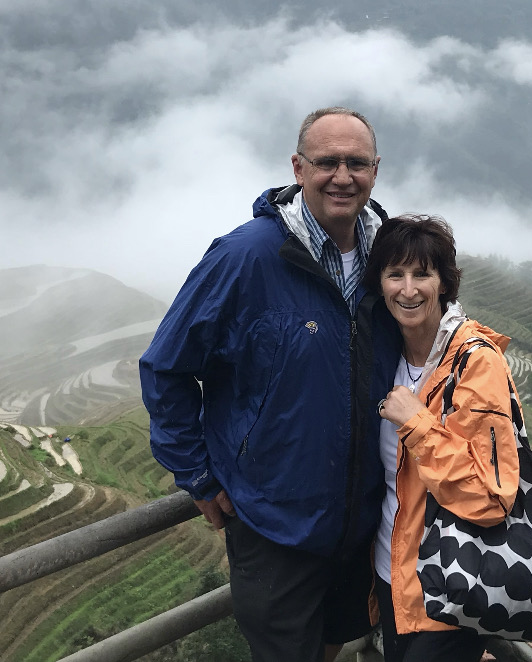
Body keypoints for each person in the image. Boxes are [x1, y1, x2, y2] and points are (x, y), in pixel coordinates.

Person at [140, 107, 401, 662]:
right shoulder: (245, 257)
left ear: (376, 171)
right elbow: (167, 368)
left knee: (336, 639)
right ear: (298, 168)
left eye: (356, 163)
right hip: (274, 523)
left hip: (364, 518)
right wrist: (197, 476)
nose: (342, 176)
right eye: (327, 162)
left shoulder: (390, 259)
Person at [367, 215, 523, 662]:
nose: (408, 289)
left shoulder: (475, 363)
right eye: (395, 274)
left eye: (422, 274)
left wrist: (416, 425)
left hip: (451, 584)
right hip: (390, 573)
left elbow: (489, 498)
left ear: (444, 283)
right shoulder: (383, 355)